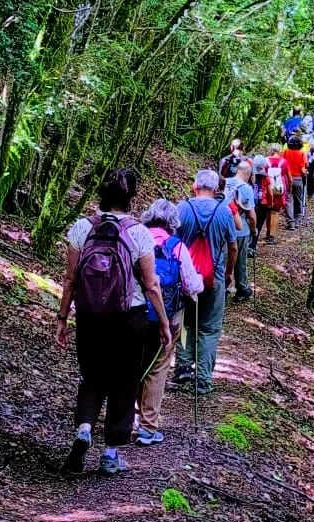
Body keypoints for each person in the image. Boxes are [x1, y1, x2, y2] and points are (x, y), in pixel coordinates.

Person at [56, 169, 171, 475]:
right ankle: (110, 454)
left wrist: (63, 318)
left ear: (101, 193)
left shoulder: (82, 227)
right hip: (129, 318)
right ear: (131, 197)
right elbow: (151, 285)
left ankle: (84, 430)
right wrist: (163, 321)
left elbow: (70, 280)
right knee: (124, 382)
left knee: (92, 376)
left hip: (90, 316)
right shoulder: (139, 233)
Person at [135, 199, 201, 446]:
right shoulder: (176, 246)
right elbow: (192, 285)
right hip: (166, 316)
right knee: (157, 368)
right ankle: (148, 426)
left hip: (133, 312)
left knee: (133, 363)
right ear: (173, 222)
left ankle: (127, 419)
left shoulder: (134, 239)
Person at [173, 169, 235, 394]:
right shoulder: (224, 211)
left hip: (184, 277)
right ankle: (203, 379)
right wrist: (228, 273)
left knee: (185, 321)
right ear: (216, 189)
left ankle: (182, 367)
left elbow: (172, 243)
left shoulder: (182, 209)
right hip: (213, 277)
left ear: (195, 186)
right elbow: (233, 246)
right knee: (209, 328)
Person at [225, 160, 256, 302]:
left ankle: (223, 288)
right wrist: (253, 229)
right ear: (248, 173)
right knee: (240, 259)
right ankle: (242, 288)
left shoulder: (225, 182)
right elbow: (251, 214)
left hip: (223, 226)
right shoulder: (246, 188)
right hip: (240, 228)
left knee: (224, 258)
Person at [256, 149, 283, 246]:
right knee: (275, 212)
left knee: (267, 213)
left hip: (262, 194)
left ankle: (263, 233)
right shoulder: (283, 162)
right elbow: (288, 177)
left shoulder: (265, 162)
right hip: (277, 191)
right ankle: (271, 236)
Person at [281, 136, 308, 226]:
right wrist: (305, 173)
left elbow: (283, 163)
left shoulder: (285, 152)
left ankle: (290, 221)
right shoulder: (302, 154)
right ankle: (297, 219)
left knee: (288, 199)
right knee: (298, 199)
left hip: (287, 179)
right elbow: (303, 169)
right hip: (298, 179)